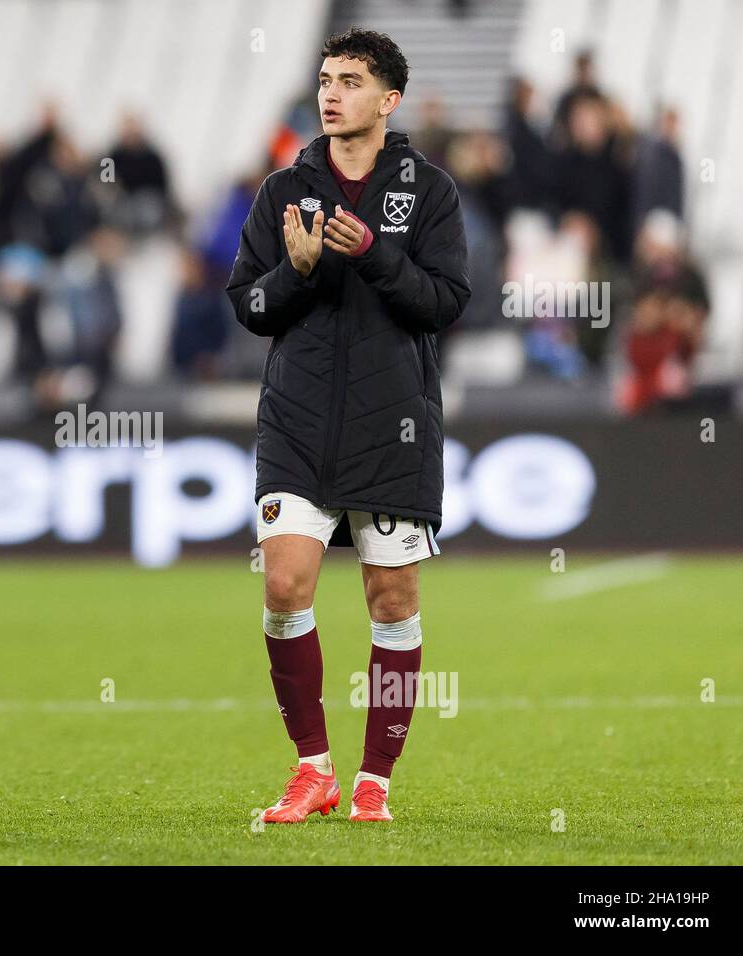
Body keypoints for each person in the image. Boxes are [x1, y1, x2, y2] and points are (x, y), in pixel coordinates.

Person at [226, 29, 470, 825]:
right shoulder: (282, 191)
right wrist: (294, 273)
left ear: (388, 99)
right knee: (283, 586)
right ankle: (313, 769)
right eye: (326, 79)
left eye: (351, 81)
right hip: (296, 421)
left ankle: (375, 781)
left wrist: (370, 253)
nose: (332, 94)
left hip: (393, 423)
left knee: (392, 601)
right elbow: (250, 309)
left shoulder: (429, 191)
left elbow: (443, 304)